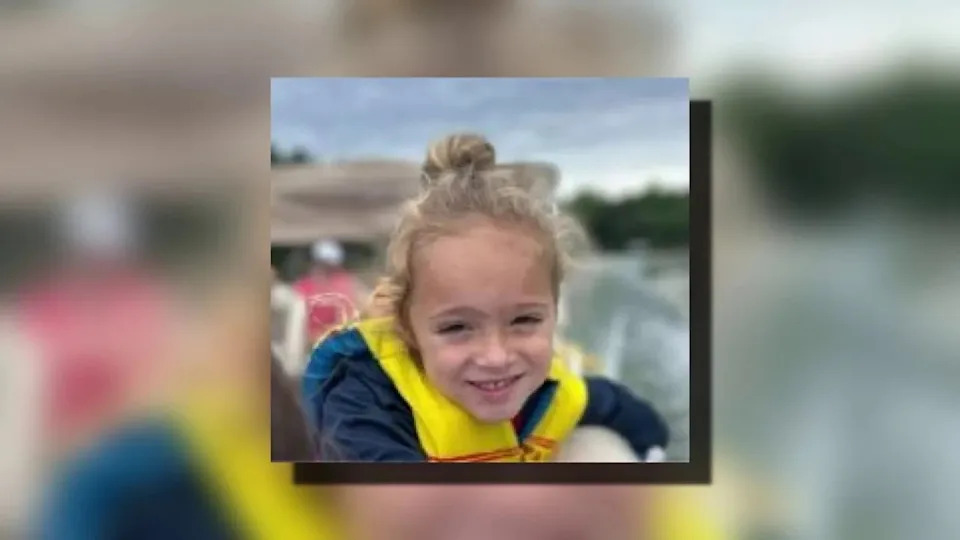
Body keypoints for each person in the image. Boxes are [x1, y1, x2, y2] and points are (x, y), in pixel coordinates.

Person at [301, 133, 669, 462]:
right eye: (458, 326)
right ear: (408, 328)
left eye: (524, 320)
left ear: (554, 312)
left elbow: (619, 408)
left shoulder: (552, 390)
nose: (496, 357)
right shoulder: (361, 406)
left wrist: (651, 447)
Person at [292, 239, 364, 350]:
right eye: (322, 264)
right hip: (308, 344)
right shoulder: (302, 287)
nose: (325, 269)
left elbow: (352, 314)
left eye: (329, 265)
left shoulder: (345, 283)